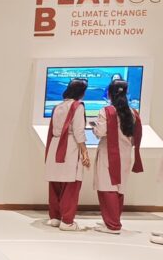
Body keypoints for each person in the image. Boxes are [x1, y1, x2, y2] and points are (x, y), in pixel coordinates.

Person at [91, 79, 144, 234]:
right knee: (119, 189)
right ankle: (113, 220)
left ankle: (112, 225)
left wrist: (94, 128)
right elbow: (135, 137)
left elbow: (101, 132)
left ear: (109, 93)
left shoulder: (106, 111)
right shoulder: (133, 112)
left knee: (107, 188)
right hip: (125, 154)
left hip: (108, 154)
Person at [45, 78, 91, 231]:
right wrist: (84, 151)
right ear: (81, 92)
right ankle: (67, 221)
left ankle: (55, 217)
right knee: (71, 185)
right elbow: (78, 131)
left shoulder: (57, 106)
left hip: (55, 145)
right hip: (69, 146)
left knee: (55, 183)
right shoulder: (78, 106)